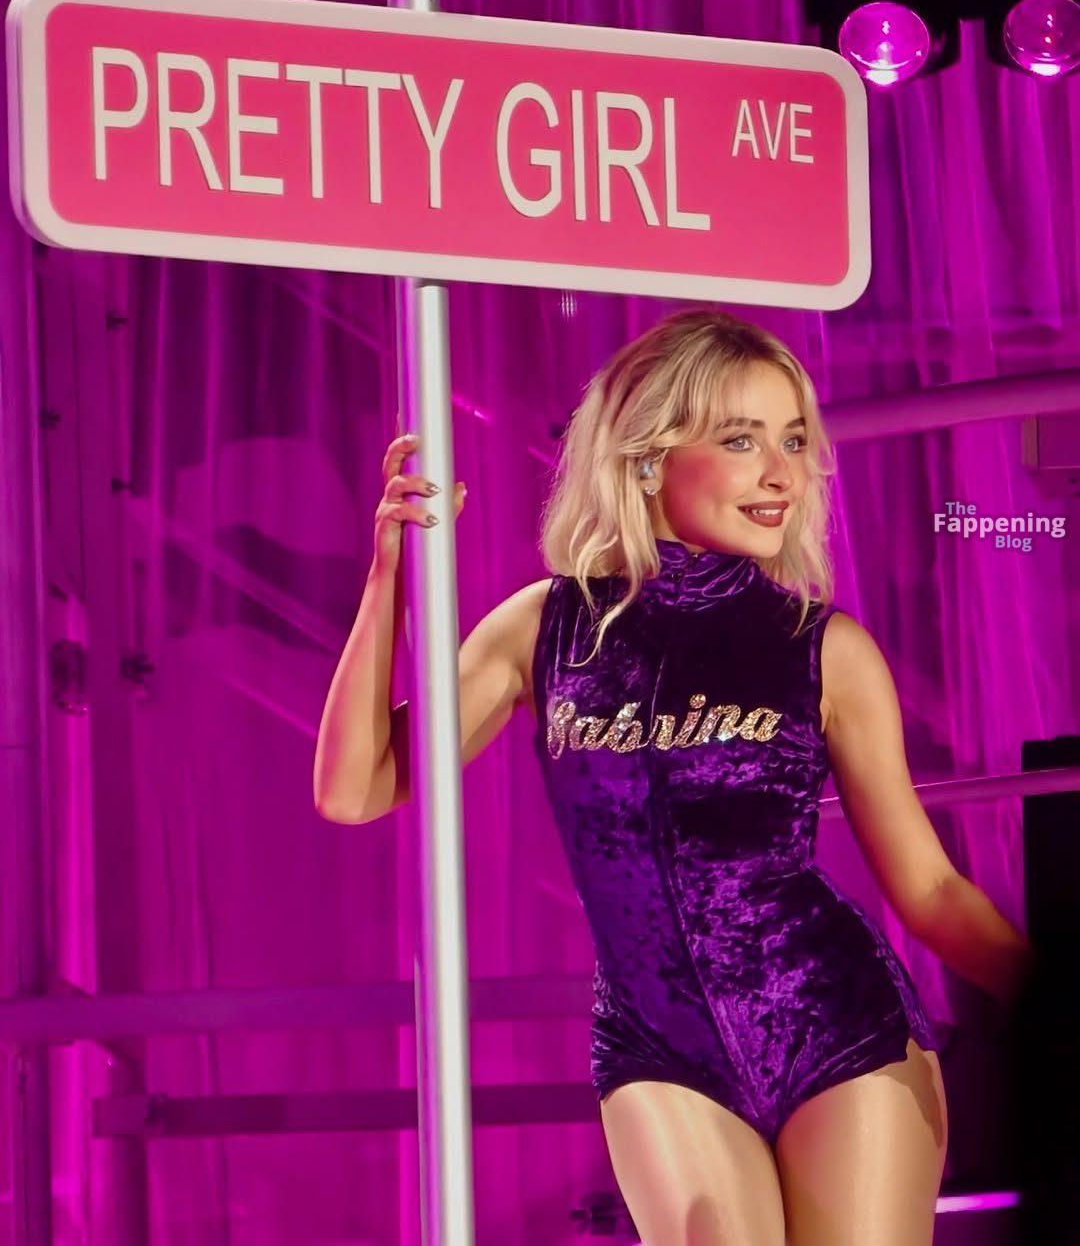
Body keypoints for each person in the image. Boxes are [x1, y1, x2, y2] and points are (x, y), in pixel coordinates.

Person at [314, 307, 1035, 1246]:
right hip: (656, 1047)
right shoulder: (544, 630)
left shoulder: (825, 649)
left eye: (792, 440)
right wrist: (388, 574)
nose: (782, 474)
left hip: (838, 1024)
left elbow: (930, 889)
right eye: (741, 440)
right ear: (649, 457)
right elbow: (354, 787)